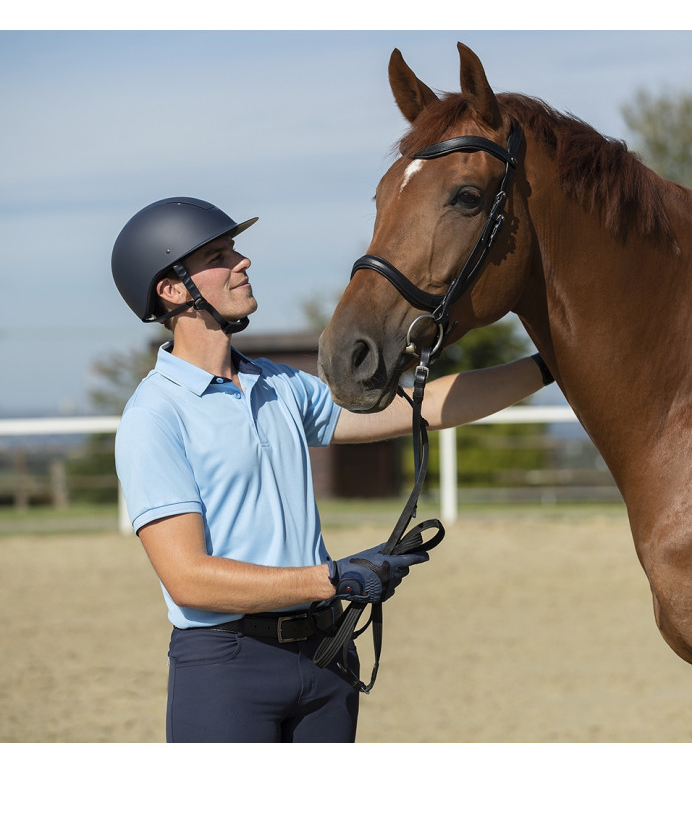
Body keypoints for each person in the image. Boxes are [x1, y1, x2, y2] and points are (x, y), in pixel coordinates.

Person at [111, 196, 552, 743]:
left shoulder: (279, 385)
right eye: (221, 255)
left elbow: (426, 406)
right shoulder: (154, 416)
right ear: (173, 291)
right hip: (227, 666)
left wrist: (550, 363)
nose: (242, 261)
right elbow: (188, 578)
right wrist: (331, 578)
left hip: (325, 655)